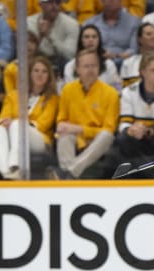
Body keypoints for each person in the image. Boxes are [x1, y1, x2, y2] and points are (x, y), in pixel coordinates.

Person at [106, 52, 154, 178]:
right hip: (135, 138)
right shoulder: (128, 93)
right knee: (124, 139)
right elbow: (124, 124)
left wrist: (147, 131)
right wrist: (131, 130)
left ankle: (141, 173)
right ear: (142, 72)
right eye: (153, 70)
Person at [47, 49, 119, 179]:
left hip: (99, 140)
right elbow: (62, 121)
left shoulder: (111, 93)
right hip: (76, 137)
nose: (90, 70)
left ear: (99, 68)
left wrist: (81, 129)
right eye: (86, 66)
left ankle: (69, 172)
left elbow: (109, 129)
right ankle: (70, 178)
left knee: (106, 135)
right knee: (64, 134)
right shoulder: (68, 90)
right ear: (78, 69)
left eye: (94, 66)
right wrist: (74, 131)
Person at [0, 56, 58, 179]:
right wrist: (4, 122)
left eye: (44, 71)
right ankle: (1, 172)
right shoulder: (14, 95)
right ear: (30, 74)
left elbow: (44, 124)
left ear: (49, 76)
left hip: (40, 140)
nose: (40, 74)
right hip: (14, 131)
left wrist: (18, 122)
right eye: (36, 71)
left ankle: (16, 167)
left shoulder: (52, 98)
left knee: (18, 124)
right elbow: (2, 117)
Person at [84, 0, 141, 69]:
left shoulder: (134, 22)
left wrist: (115, 56)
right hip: (96, 63)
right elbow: (84, 48)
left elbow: (134, 50)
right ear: (101, 1)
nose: (111, 1)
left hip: (125, 65)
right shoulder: (90, 23)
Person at [62, 24, 121, 90]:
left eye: (94, 37)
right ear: (81, 41)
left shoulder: (109, 64)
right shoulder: (70, 66)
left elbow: (117, 89)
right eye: (86, 37)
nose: (90, 40)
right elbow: (69, 91)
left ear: (99, 40)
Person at [119, 22, 154, 87]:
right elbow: (125, 89)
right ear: (139, 39)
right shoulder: (128, 63)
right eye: (149, 34)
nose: (153, 37)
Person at [27, 0, 80, 69]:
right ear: (41, 4)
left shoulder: (71, 24)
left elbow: (70, 55)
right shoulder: (29, 23)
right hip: (34, 64)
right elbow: (26, 54)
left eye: (57, 3)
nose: (54, 6)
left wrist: (50, 36)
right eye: (50, 2)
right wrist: (40, 36)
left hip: (61, 66)